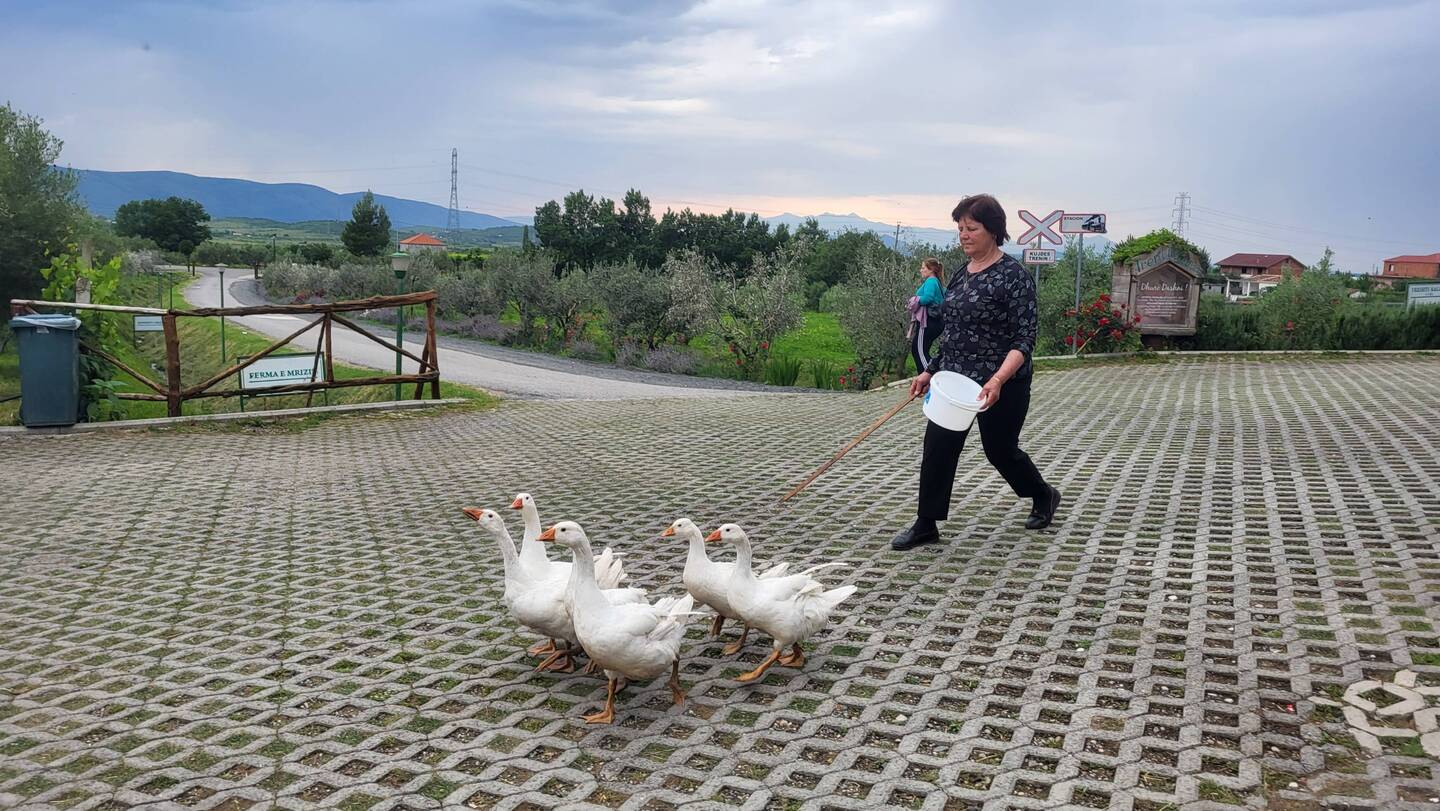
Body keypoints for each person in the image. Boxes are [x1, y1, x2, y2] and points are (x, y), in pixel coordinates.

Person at [891, 194, 1061, 551]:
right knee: (938, 446)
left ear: (994, 231)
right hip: (955, 380)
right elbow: (954, 333)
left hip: (1003, 381)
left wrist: (998, 379)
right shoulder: (961, 273)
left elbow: (1024, 337)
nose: (964, 235)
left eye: (972, 228)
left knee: (999, 450)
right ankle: (926, 524)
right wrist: (930, 371)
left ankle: (1043, 494)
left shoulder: (1014, 277)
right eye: (960, 228)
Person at [907, 258, 945, 375]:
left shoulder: (931, 281)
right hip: (936, 322)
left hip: (928, 321)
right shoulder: (937, 282)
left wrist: (915, 300)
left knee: (919, 351)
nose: (921, 270)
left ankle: (928, 378)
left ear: (931, 269)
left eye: (923, 268)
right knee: (920, 349)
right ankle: (928, 377)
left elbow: (928, 298)